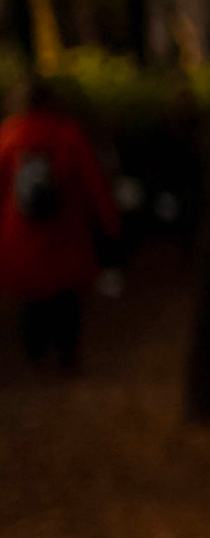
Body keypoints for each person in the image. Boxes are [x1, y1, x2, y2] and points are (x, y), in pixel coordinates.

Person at [0, 78, 120, 371]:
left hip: (20, 236)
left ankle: (36, 355)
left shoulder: (9, 135)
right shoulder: (68, 134)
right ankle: (67, 356)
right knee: (67, 301)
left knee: (30, 300)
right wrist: (110, 223)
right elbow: (93, 183)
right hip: (66, 233)